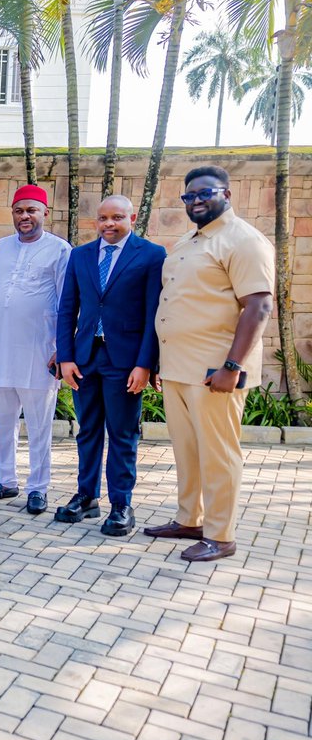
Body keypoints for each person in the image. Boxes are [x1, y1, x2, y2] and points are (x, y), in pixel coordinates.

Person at [145, 166, 275, 562]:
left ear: (227, 194)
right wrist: (157, 363)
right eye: (188, 196)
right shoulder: (188, 241)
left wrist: (231, 367)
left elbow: (258, 305)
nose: (196, 200)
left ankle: (221, 534)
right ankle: (190, 519)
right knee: (187, 450)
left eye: (205, 193)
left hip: (214, 372)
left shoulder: (243, 241)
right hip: (177, 368)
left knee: (219, 454)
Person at [56, 196, 166, 536]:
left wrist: (145, 363)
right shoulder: (80, 255)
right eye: (103, 218)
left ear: (131, 217)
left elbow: (153, 315)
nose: (109, 224)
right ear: (95, 222)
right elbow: (66, 309)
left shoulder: (150, 255)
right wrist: (65, 357)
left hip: (125, 361)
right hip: (86, 357)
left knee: (122, 433)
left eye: (117, 217)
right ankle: (87, 497)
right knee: (87, 430)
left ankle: (122, 505)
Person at [0, 185, 71, 514]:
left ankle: (38, 487)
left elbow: (68, 303)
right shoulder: (0, 248)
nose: (24, 216)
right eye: (18, 211)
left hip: (39, 352)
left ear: (45, 213)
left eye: (31, 210)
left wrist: (61, 348)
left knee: (39, 424)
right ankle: (5, 480)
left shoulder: (59, 250)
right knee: (2, 422)